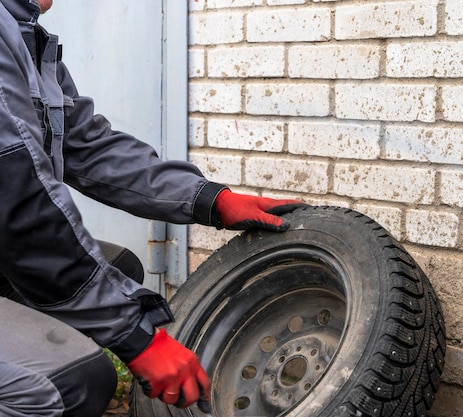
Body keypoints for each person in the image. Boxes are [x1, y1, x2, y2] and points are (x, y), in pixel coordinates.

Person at [0, 0, 304, 416]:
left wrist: (208, 198)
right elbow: (16, 202)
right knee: (67, 384)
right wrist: (137, 339)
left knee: (120, 267)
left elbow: (86, 146)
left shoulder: (23, 35)